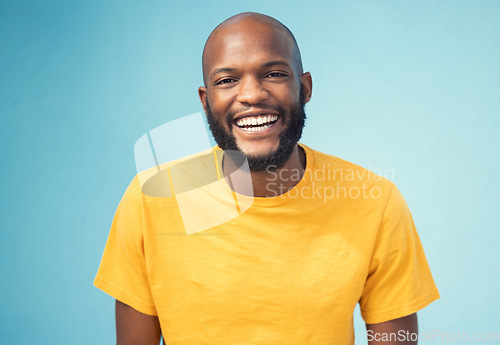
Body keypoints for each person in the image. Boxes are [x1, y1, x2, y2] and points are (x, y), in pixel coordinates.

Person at [94, 12, 439, 345]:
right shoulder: (151, 198)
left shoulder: (374, 201)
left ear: (304, 88)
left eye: (273, 74)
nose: (251, 95)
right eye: (227, 80)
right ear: (206, 101)